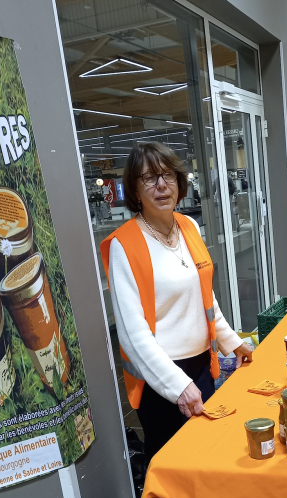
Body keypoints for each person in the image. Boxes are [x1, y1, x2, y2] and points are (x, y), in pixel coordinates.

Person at [100, 142, 252, 466]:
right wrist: (178, 387)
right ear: (134, 190)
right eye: (148, 179)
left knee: (209, 457)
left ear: (179, 182)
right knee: (177, 468)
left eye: (167, 175)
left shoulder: (189, 227)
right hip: (161, 381)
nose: (160, 185)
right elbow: (132, 334)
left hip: (202, 368)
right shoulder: (124, 246)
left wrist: (233, 344)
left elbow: (205, 298)